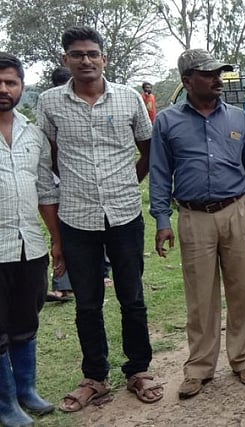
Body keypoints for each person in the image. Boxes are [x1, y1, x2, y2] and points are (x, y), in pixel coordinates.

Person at [36, 26, 162, 412]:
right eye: (77, 54)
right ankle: (95, 376)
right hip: (77, 218)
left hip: (124, 214)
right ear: (65, 60)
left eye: (92, 53)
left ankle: (138, 369)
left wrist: (128, 181)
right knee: (87, 303)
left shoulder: (128, 99)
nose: (85, 60)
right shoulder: (49, 102)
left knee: (132, 297)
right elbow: (47, 161)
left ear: (104, 58)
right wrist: (56, 233)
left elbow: (149, 146)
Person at [150, 48, 245, 400]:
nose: (218, 79)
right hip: (192, 217)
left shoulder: (237, 118)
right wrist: (162, 219)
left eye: (219, 73)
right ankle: (199, 367)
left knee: (244, 289)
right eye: (209, 74)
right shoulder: (168, 122)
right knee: (200, 296)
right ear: (188, 81)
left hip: (236, 211)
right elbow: (159, 173)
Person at [0, 52, 60, 426]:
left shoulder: (32, 132)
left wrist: (56, 239)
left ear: (22, 87)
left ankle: (26, 391)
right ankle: (6, 405)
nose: (3, 89)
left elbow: (45, 191)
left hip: (29, 247)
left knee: (26, 320)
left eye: (11, 82)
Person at [44, 66, 74, 303]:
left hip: (59, 181)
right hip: (63, 183)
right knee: (61, 236)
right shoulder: (51, 106)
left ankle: (63, 285)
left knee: (60, 236)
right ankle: (62, 284)